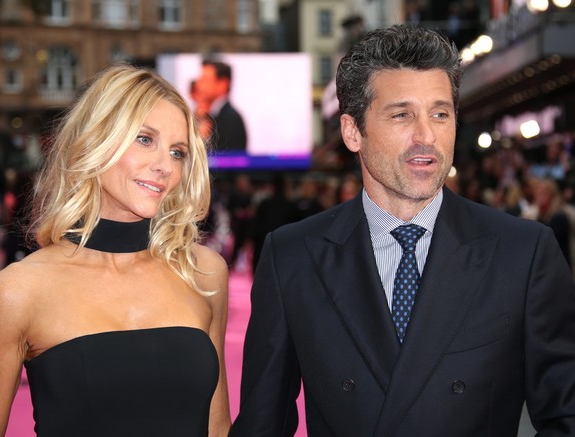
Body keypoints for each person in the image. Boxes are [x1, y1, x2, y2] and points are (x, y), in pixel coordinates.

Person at [230, 25, 575, 436]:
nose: (426, 136)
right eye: (401, 115)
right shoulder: (293, 257)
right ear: (352, 132)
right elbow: (262, 423)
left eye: (440, 114)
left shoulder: (524, 252)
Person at [0, 63, 231, 436]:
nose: (164, 166)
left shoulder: (202, 271)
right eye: (144, 139)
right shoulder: (18, 291)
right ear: (96, 139)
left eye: (178, 152)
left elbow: (218, 426)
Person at [196, 60, 248, 152]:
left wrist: (199, 140)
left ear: (223, 84)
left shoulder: (230, 118)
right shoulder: (210, 115)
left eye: (205, 80)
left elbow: (229, 160)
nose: (199, 85)